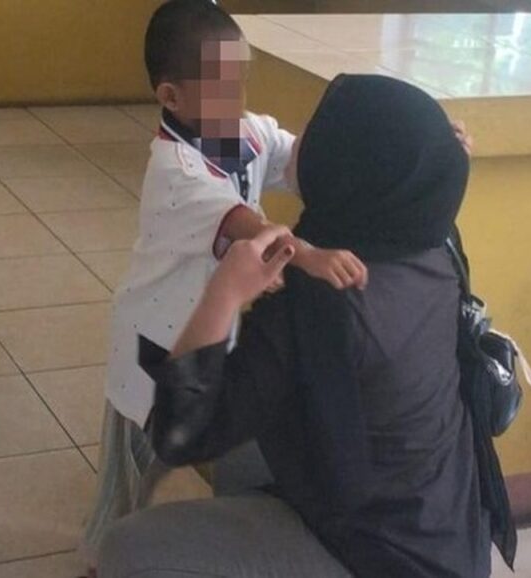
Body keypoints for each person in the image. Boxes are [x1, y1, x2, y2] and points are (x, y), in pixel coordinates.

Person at [96, 74, 512, 578]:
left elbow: (180, 435)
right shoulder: (435, 242)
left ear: (343, 169)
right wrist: (442, 157)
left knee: (128, 550)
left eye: (315, 131)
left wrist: (225, 291)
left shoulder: (318, 301)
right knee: (246, 444)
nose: (301, 139)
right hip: (451, 534)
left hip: (385, 556)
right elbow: (416, 174)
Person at [81, 0, 370, 571]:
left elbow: (303, 159)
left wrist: (406, 142)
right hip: (152, 337)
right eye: (222, 88)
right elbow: (245, 227)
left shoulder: (247, 133)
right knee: (137, 460)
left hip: (209, 327)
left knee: (196, 430)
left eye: (242, 81)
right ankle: (102, 551)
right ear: (171, 97)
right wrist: (309, 256)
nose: (238, 101)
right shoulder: (175, 170)